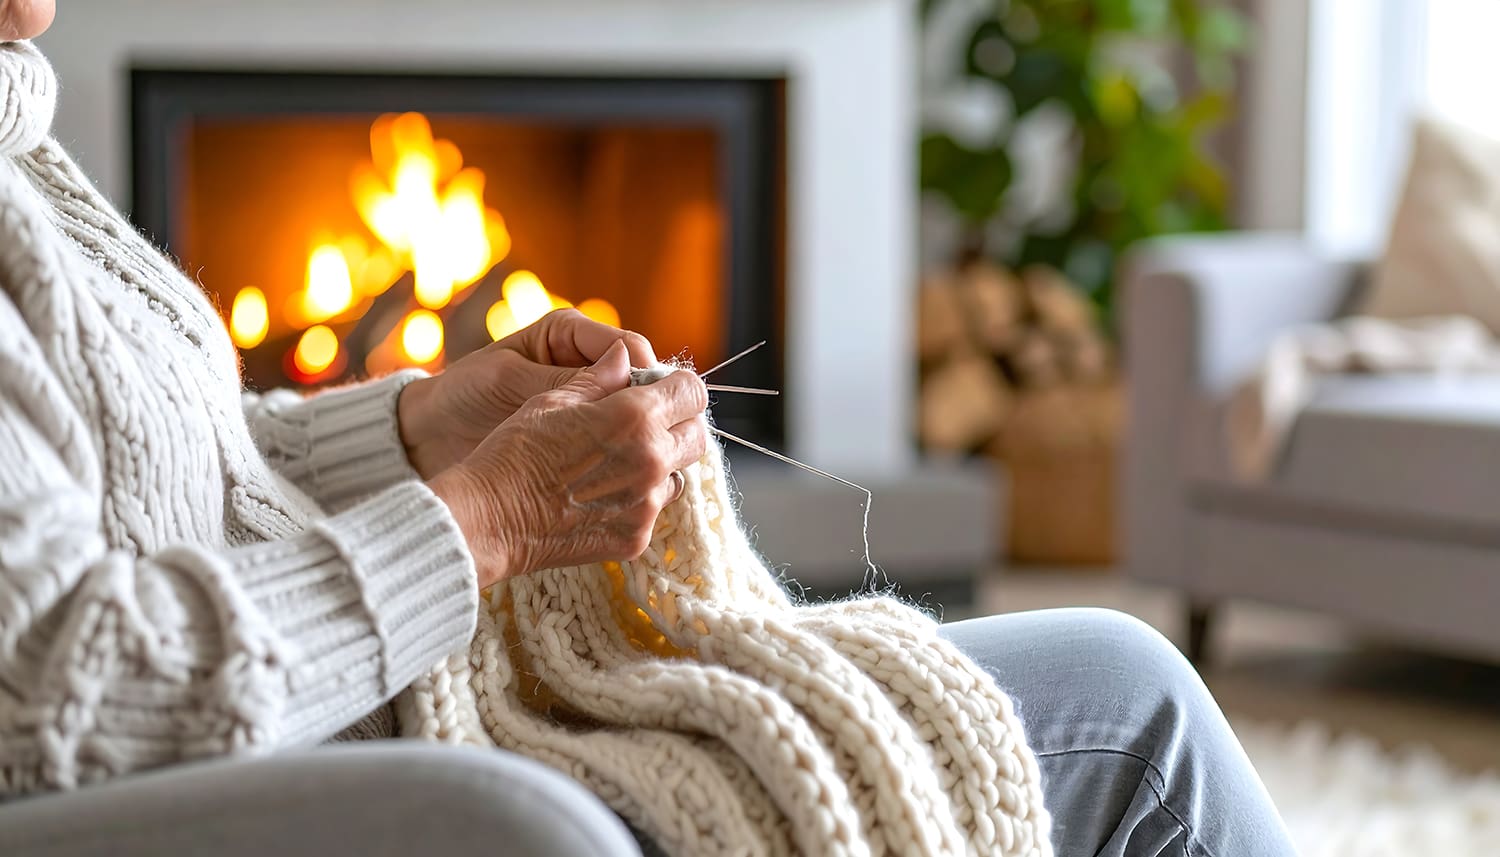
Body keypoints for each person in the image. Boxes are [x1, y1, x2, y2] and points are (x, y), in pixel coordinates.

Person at [0, 4, 1296, 855]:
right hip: (270, 750)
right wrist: (483, 519)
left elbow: (179, 465)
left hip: (342, 693)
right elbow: (55, 678)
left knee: (1132, 688)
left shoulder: (22, 144)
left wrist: (425, 422)